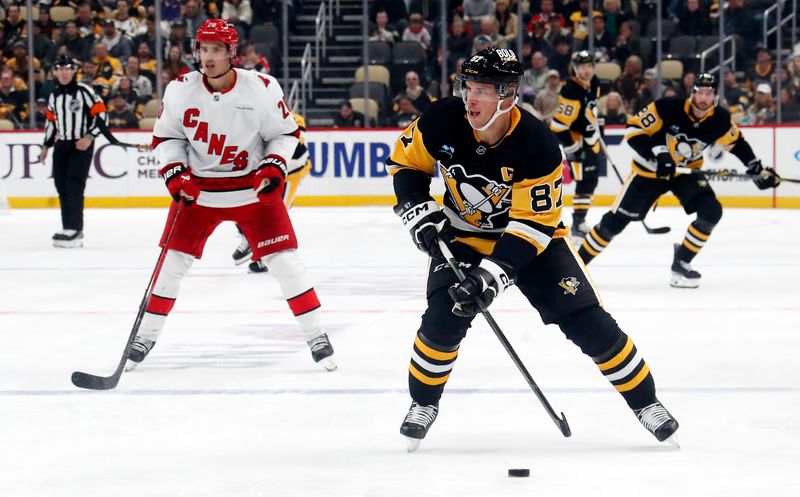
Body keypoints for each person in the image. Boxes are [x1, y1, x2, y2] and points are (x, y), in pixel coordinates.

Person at [388, 47, 680, 451]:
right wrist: (418, 211)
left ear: (507, 95)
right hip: (464, 236)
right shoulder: (441, 119)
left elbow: (533, 226)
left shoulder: (537, 143)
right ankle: (422, 404)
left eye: (483, 90)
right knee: (441, 320)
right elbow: (406, 165)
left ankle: (647, 403)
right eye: (467, 86)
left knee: (587, 321)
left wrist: (491, 278)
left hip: (533, 240)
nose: (470, 97)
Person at [125, 19, 336, 372]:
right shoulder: (179, 90)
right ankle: (145, 335)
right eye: (203, 49)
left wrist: (273, 166)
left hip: (251, 191)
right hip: (199, 193)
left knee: (285, 264)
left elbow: (285, 134)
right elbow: (167, 139)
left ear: (231, 54)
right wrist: (175, 174)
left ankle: (316, 335)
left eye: (216, 50)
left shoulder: (262, 88)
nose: (207, 58)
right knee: (170, 266)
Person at [577, 74, 780, 288]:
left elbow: (737, 144)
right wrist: (658, 153)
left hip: (686, 173)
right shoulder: (668, 107)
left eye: (708, 93)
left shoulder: (720, 119)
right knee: (614, 223)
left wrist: (757, 168)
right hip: (649, 172)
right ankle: (576, 266)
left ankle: (681, 262)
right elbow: (634, 130)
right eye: (699, 92)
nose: (703, 97)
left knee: (712, 211)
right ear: (692, 93)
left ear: (715, 96)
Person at [39, 55, 108, 248]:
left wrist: (89, 137)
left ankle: (76, 229)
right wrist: (46, 146)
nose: (63, 72)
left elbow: (102, 115)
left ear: (73, 70)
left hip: (80, 144)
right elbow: (51, 123)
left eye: (67, 68)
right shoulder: (53, 95)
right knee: (61, 186)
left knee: (74, 185)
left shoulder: (85, 91)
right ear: (54, 72)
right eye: (59, 68)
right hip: (62, 145)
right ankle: (67, 226)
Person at [231, 112, 314, 273]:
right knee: (238, 202)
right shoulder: (252, 115)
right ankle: (247, 237)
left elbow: (296, 146)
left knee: (276, 214)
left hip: (291, 173)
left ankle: (263, 258)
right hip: (265, 171)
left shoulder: (294, 119)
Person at [550, 50, 601, 240]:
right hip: (576, 142)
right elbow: (559, 126)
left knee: (591, 179)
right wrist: (572, 148)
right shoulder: (570, 90)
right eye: (582, 67)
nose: (586, 70)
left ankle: (580, 220)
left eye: (589, 66)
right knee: (585, 180)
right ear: (575, 68)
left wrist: (592, 126)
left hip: (590, 140)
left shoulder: (594, 83)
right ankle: (578, 222)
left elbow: (589, 109)